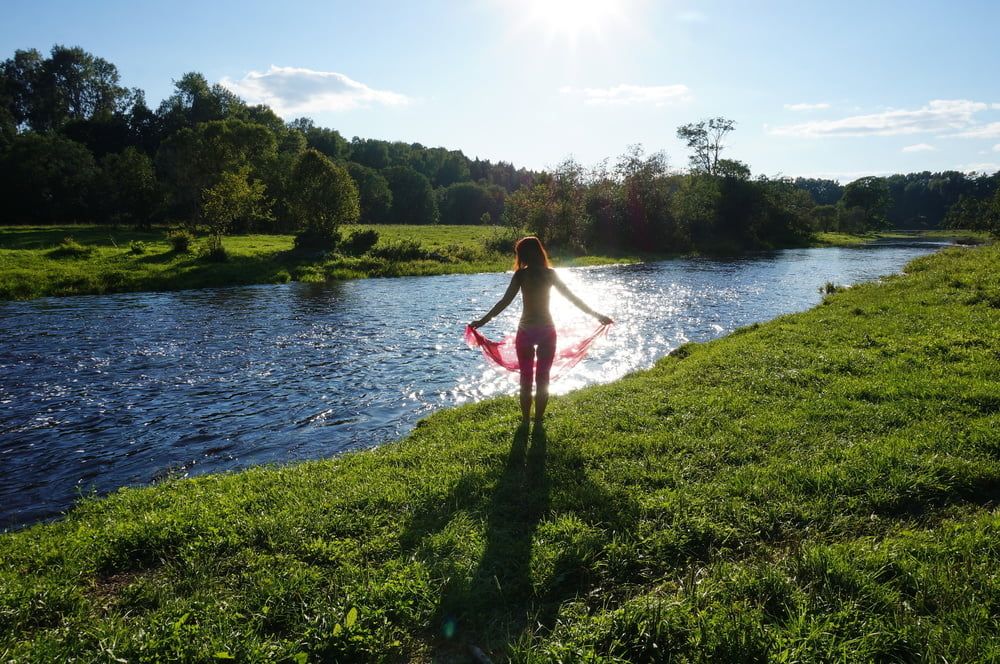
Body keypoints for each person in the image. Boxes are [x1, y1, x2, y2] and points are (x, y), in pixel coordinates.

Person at [470, 237, 613, 427]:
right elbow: (573, 299)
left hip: (527, 332)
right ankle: (537, 421)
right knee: (542, 378)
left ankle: (527, 421)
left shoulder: (522, 275)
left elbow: (504, 303)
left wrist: (482, 321)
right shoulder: (548, 274)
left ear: (524, 254)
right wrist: (597, 315)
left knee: (526, 380)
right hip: (546, 331)